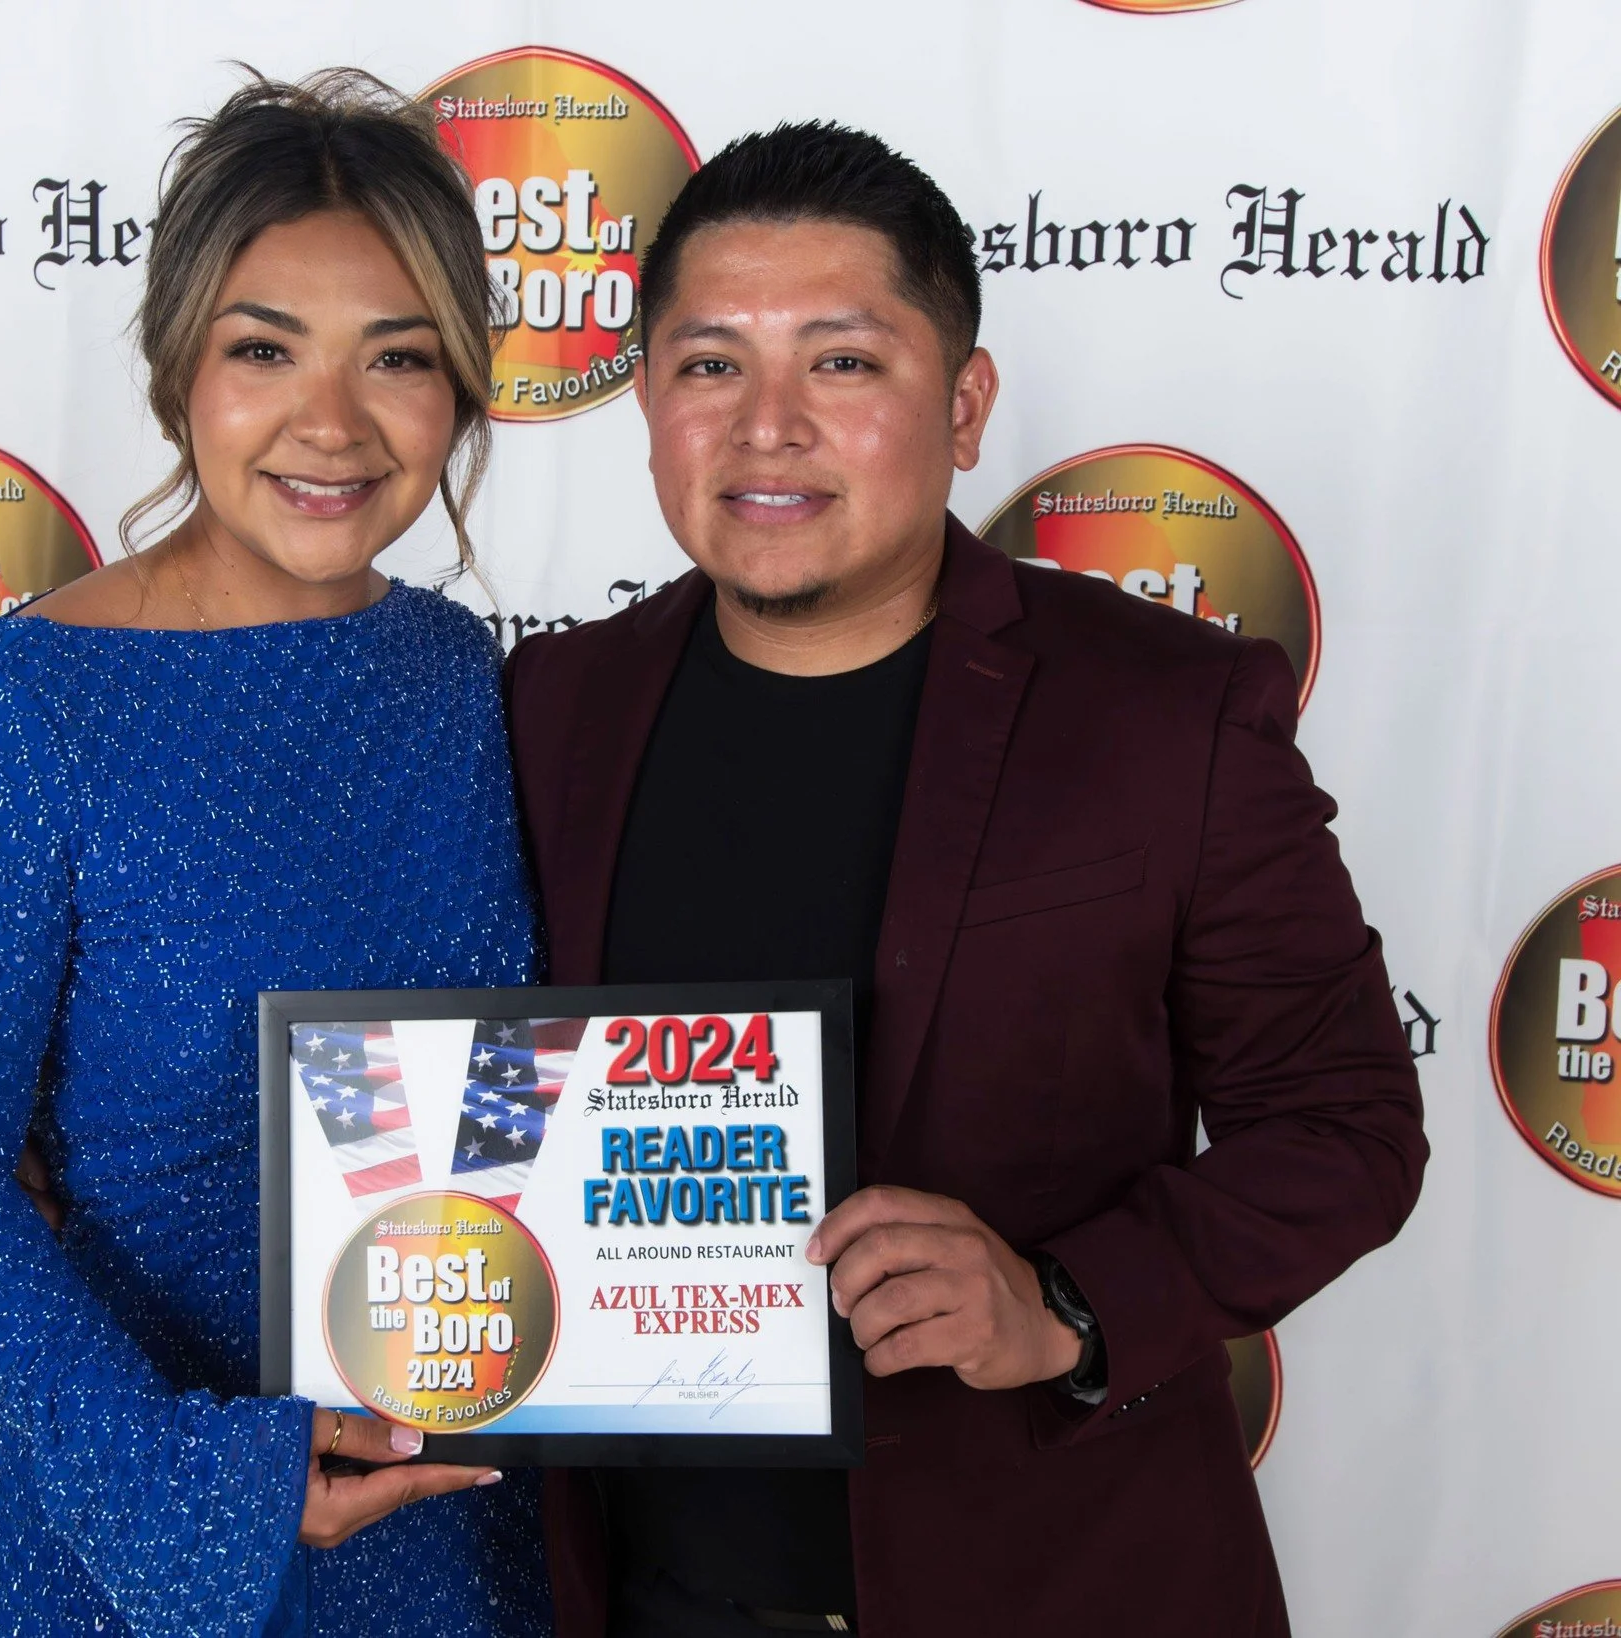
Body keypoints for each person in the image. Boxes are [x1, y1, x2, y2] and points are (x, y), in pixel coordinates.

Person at [502, 123, 1429, 1637]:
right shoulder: (552, 706)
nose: (768, 426)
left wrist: (1062, 1304)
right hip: (653, 1595)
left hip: (1059, 1586)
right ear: (651, 403)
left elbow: (1346, 1127)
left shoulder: (1171, 712)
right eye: (711, 365)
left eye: (843, 363)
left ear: (967, 403)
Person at [0, 70, 552, 1638]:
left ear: (460, 387)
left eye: (397, 357)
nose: (332, 423)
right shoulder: (22, 707)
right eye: (263, 349)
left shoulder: (458, 674)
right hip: (156, 1530)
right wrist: (186, 1476)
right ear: (178, 372)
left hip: (461, 1516)